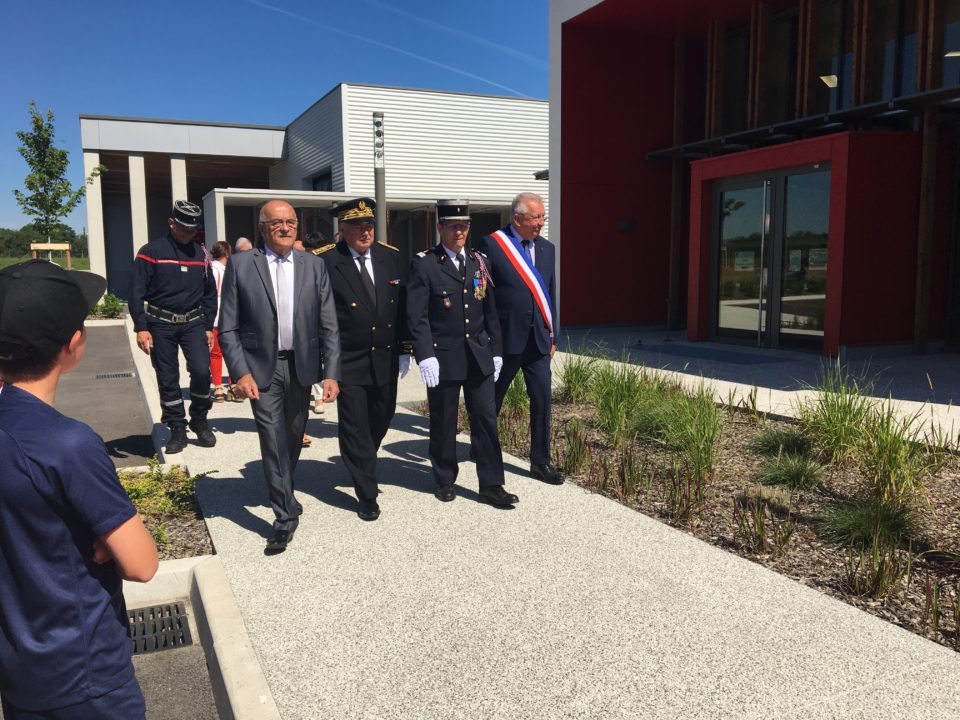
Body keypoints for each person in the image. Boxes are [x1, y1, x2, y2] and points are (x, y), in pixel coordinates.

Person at [0, 260, 159, 718]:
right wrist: (102, 536)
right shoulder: (68, 443)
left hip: (19, 669)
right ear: (72, 344)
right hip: (84, 669)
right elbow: (142, 563)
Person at [218, 200, 341, 554]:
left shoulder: (313, 265)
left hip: (302, 366)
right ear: (262, 228)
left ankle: (284, 489)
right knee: (272, 439)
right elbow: (228, 327)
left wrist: (331, 373)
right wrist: (240, 372)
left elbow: (329, 324)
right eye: (276, 222)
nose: (285, 228)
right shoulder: (242, 265)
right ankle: (284, 518)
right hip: (262, 368)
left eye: (291, 222)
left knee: (292, 437)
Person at [406, 200, 518, 507]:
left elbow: (490, 310)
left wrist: (496, 350)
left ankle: (492, 484)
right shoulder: (426, 264)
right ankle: (444, 478)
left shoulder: (479, 261)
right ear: (440, 227)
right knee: (444, 420)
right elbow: (417, 316)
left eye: (464, 226)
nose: (460, 232)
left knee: (486, 419)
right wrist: (424, 354)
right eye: (454, 226)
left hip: (478, 355)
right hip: (443, 357)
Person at [314, 198, 411, 521]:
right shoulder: (326, 261)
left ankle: (362, 460)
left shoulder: (390, 257)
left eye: (369, 225)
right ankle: (366, 493)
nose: (365, 232)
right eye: (357, 227)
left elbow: (402, 307)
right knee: (355, 426)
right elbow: (318, 317)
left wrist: (405, 349)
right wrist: (326, 366)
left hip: (384, 356)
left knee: (381, 417)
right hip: (348, 360)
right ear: (343, 229)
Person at [475, 192, 563, 485]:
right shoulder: (492, 244)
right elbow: (482, 294)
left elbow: (550, 293)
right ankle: (481, 444)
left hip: (538, 340)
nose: (541, 223)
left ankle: (540, 461)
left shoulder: (547, 248)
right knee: (492, 397)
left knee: (542, 399)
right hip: (505, 339)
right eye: (536, 218)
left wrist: (553, 334)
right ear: (517, 218)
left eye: (542, 217)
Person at [129, 200, 217, 454]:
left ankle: (199, 419)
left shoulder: (201, 255)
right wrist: (141, 327)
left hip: (193, 323)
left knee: (201, 372)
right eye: (184, 228)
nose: (189, 233)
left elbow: (210, 293)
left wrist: (208, 325)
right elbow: (136, 291)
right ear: (171, 223)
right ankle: (177, 427)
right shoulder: (150, 252)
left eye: (193, 229)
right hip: (160, 324)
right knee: (168, 378)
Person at [209, 240, 242, 403]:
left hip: (214, 318)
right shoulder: (225, 270)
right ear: (227, 253)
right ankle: (233, 385)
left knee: (215, 354)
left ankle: (218, 389)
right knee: (232, 352)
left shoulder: (210, 269)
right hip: (228, 316)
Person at [304, 232, 328, 415]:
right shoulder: (302, 265)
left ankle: (322, 393)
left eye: (311, 250)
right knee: (311, 358)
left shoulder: (328, 264)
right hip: (307, 319)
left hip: (325, 318)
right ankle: (317, 396)